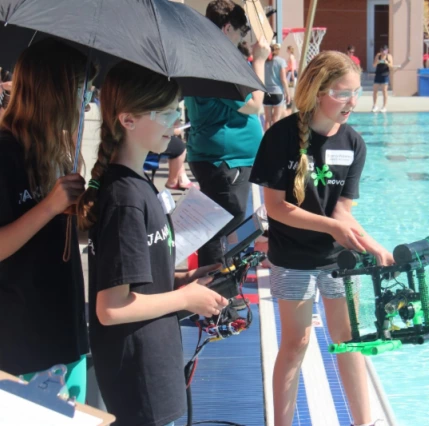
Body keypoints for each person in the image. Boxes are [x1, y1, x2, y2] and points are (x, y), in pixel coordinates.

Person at [76, 61, 228, 426]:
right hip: (137, 372)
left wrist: (185, 280)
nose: (176, 122)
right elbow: (110, 308)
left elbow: (137, 279)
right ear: (128, 120)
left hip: (153, 358)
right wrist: (185, 299)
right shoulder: (124, 198)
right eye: (164, 113)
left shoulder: (138, 183)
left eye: (177, 110)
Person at [249, 51, 394, 426]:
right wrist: (333, 228)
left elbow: (343, 212)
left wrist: (372, 243)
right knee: (296, 344)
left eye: (355, 92)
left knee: (350, 342)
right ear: (317, 90)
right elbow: (277, 208)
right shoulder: (280, 137)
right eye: (342, 93)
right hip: (292, 257)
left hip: (338, 261)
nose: (352, 102)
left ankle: (364, 422)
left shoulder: (354, 143)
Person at [0, 39, 97, 402]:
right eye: (78, 90)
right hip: (24, 341)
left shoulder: (53, 150)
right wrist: (50, 206)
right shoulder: (6, 153)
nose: (85, 102)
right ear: (51, 93)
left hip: (65, 330)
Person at [184, 0, 269, 270]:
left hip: (220, 158)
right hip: (224, 161)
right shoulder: (217, 63)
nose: (242, 38)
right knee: (219, 229)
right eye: (241, 32)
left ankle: (218, 291)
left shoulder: (205, 57)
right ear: (227, 27)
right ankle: (216, 297)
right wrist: (260, 60)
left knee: (221, 226)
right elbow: (255, 102)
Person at [264, 43, 290, 131]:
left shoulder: (265, 61)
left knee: (267, 120)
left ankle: (266, 139)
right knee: (276, 120)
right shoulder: (281, 61)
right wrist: (287, 93)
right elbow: (283, 79)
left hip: (266, 92)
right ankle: (275, 140)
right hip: (277, 92)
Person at [371, 45, 392, 113]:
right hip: (378, 74)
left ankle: (384, 106)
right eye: (382, 51)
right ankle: (374, 105)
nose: (383, 52)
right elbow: (374, 65)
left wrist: (387, 63)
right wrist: (377, 62)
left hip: (385, 75)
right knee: (375, 90)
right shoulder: (378, 55)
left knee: (384, 91)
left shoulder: (389, 56)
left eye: (385, 51)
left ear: (387, 51)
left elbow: (391, 66)